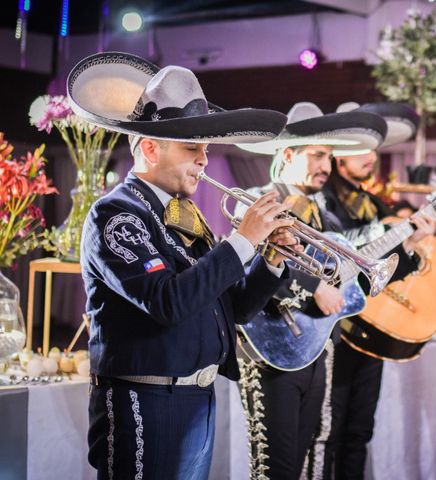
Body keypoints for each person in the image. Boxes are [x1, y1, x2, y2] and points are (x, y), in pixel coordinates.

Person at [67, 51, 298, 479]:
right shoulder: (116, 214)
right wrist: (242, 240)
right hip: (145, 399)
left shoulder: (185, 217)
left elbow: (235, 310)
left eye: (206, 149)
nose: (204, 160)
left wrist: (271, 258)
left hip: (196, 398)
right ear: (150, 148)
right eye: (193, 148)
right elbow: (167, 302)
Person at [234, 102, 388, 479]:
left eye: (330, 157)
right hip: (270, 352)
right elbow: (244, 269)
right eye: (317, 155)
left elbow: (342, 277)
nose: (326, 166)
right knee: (276, 467)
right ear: (287, 155)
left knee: (313, 455)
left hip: (319, 349)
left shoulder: (326, 217)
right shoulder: (258, 202)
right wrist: (313, 286)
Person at [314, 102, 436, 479]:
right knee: (329, 432)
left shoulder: (373, 203)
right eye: (360, 149)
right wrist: (391, 232)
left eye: (373, 149)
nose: (371, 157)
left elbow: (393, 268)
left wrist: (414, 244)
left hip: (373, 328)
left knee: (359, 430)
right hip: (337, 329)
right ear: (338, 157)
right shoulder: (323, 200)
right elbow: (333, 248)